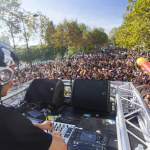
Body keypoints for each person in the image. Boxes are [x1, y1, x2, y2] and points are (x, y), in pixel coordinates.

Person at [0, 43, 67, 150]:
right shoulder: (6, 116)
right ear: (3, 76)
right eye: (9, 75)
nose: (12, 81)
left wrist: (39, 126)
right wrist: (53, 136)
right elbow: (61, 147)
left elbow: (13, 128)